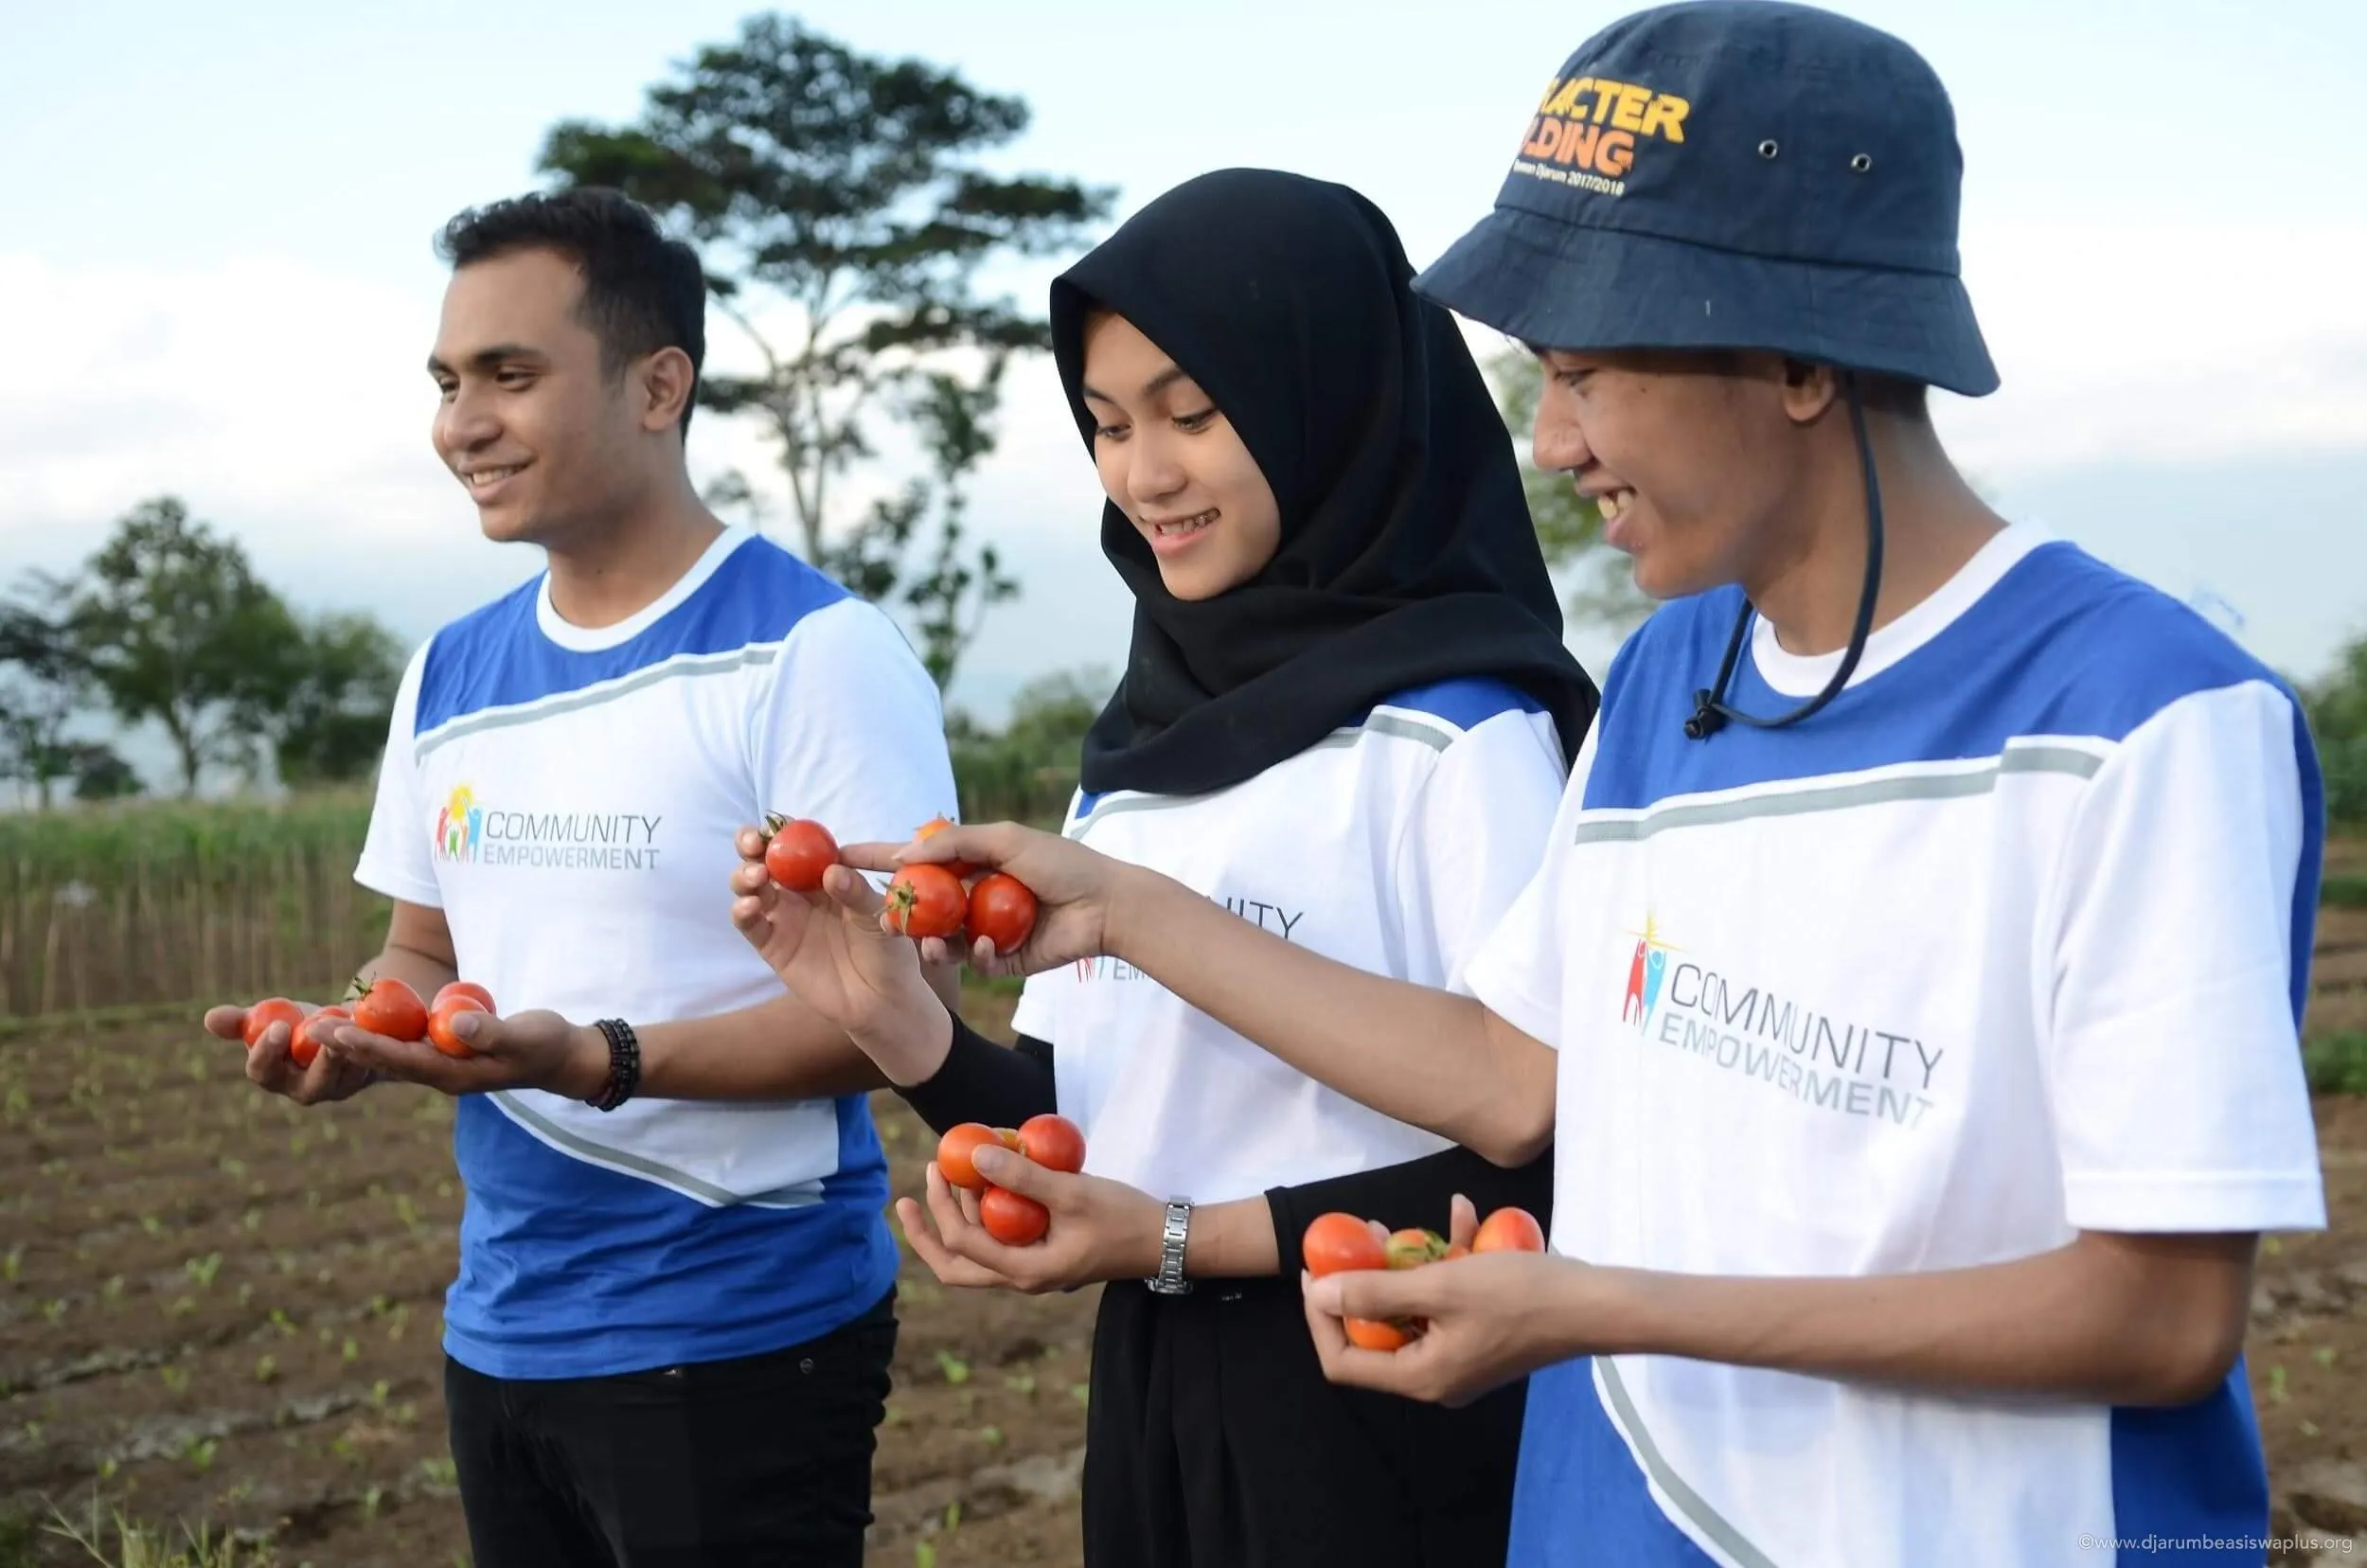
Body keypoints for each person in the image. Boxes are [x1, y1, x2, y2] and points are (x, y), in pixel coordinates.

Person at [779, 7, 2333, 1566]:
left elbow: (2158, 1316)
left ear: (1799, 357)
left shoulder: (2145, 722)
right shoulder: (1672, 682)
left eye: (1586, 375)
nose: (1558, 442)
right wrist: (1118, 909)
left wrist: (1584, 1302)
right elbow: (1509, 1075)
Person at [725, 167, 1600, 1568]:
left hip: (1393, 1392)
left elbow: (1539, 1154)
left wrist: (1180, 1235)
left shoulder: (1459, 737)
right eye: (1107, 424)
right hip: (1154, 1386)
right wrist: (892, 1018)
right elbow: (1085, 1112)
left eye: (1196, 414)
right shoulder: (1140, 750)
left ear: (1337, 403)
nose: (1144, 473)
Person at [205, 186, 961, 1567]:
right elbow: (421, 952)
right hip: (500, 1329)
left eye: (510, 375)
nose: (461, 424)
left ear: (658, 384)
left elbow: (897, 1020)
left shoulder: (814, 653)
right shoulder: (450, 672)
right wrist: (354, 1028)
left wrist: (593, 1057)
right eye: (445, 382)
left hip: (739, 1334)